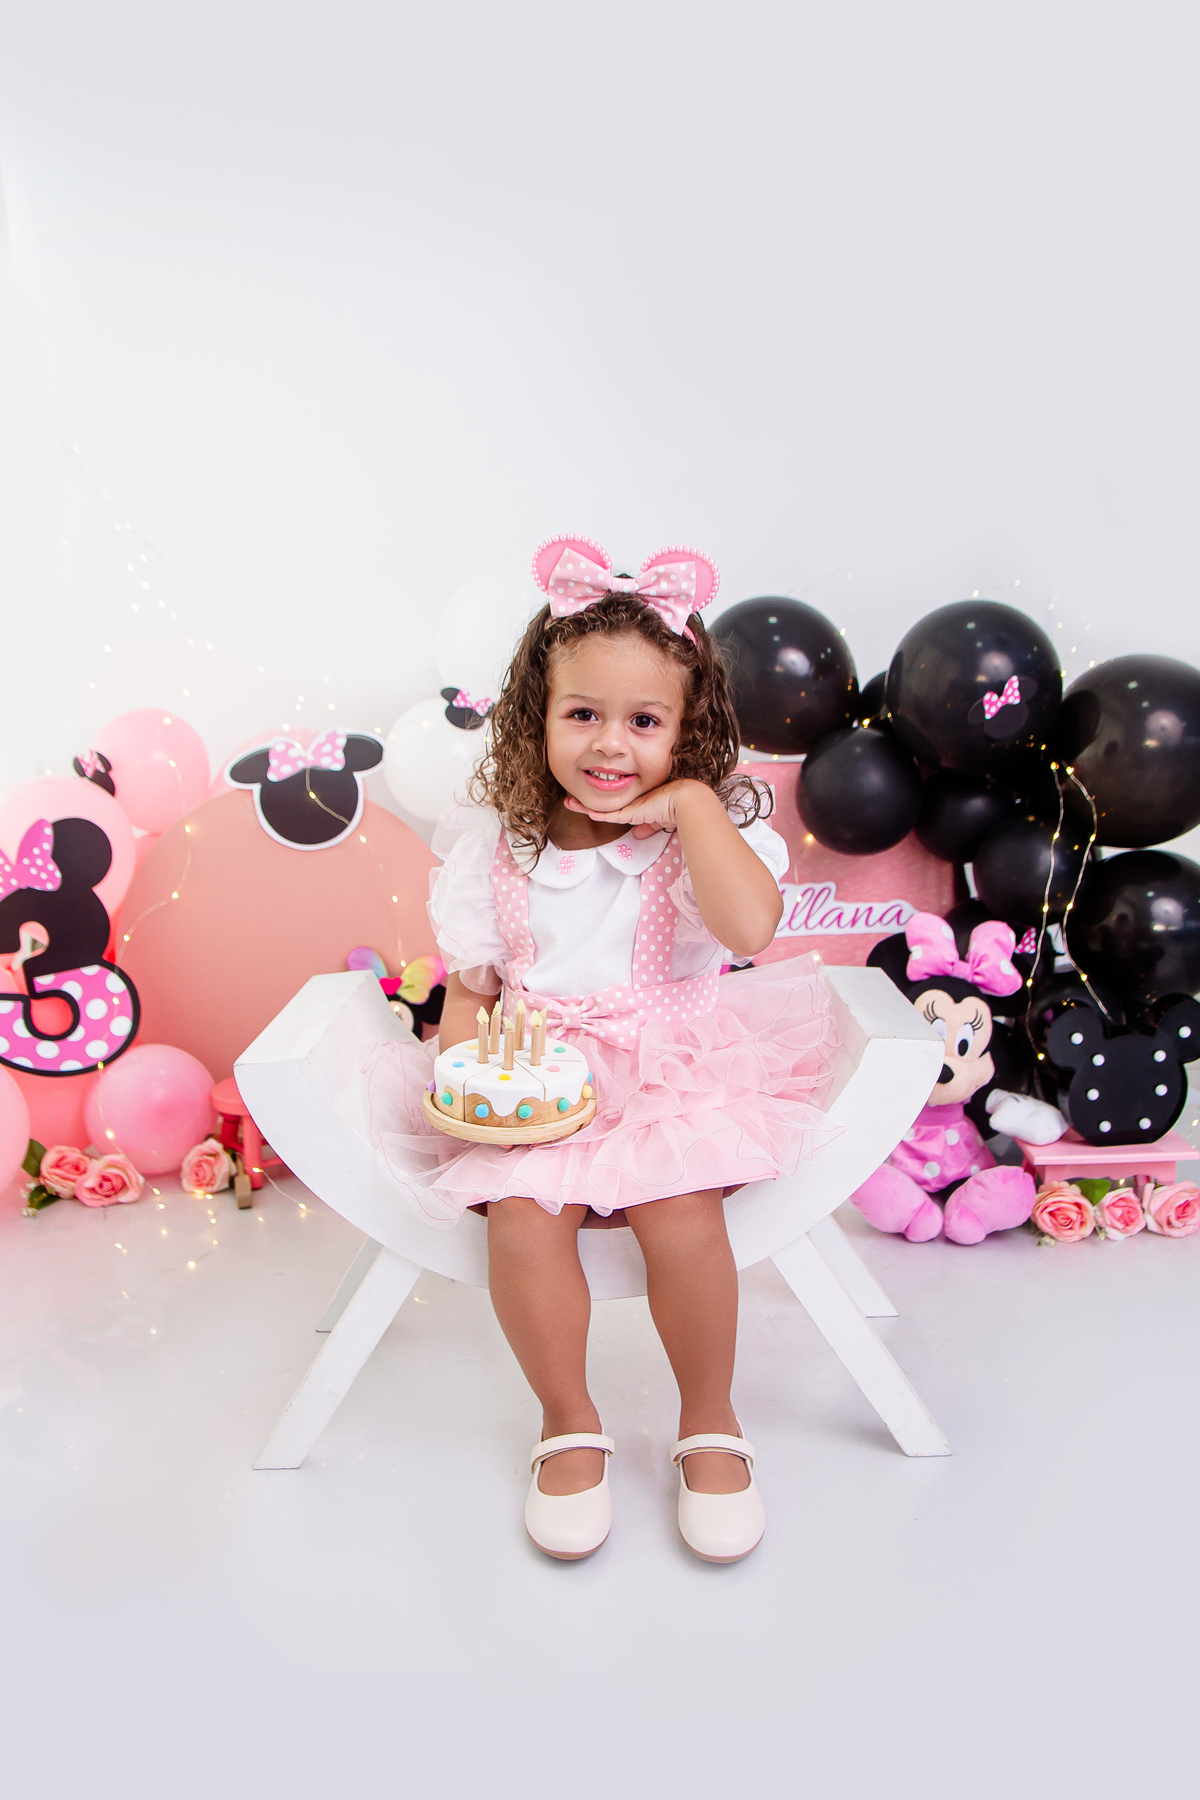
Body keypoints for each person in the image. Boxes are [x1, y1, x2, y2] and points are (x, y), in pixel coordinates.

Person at [368, 537, 837, 1563]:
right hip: (539, 1073)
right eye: (582, 714)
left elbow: (753, 929)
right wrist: (470, 1080)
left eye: (645, 721)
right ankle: (568, 1421)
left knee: (681, 1213)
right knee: (523, 1222)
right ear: (535, 716)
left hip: (674, 1068)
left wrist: (693, 805)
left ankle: (710, 1420)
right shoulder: (503, 844)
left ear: (688, 730)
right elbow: (475, 990)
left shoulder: (697, 836)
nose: (610, 744)